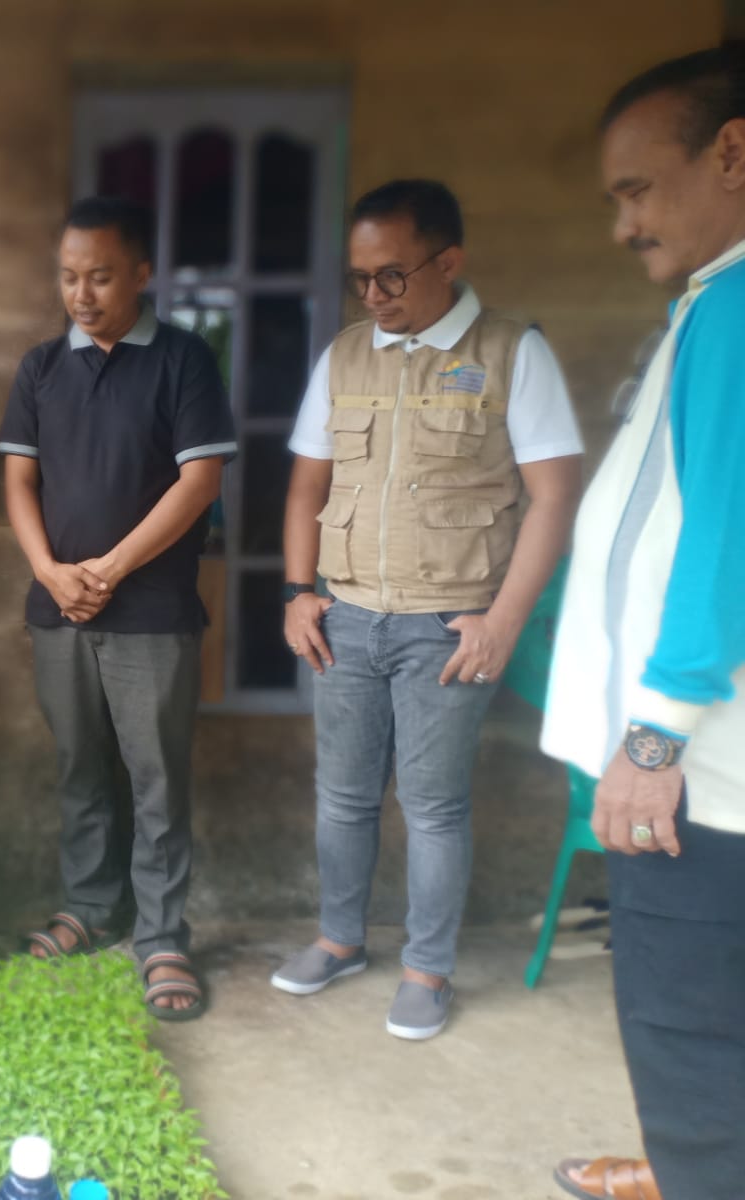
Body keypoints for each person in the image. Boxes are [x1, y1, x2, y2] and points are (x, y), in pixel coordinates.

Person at [271, 180, 583, 1040]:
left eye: (392, 276)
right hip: (346, 618)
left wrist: (503, 621)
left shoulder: (513, 352)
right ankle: (340, 940)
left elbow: (554, 496)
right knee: (342, 798)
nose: (374, 296)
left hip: (449, 626)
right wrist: (298, 593)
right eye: (360, 279)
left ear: (449, 263)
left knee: (434, 806)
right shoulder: (344, 356)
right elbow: (304, 489)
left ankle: (426, 969)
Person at [544, 45, 745, 1200]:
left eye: (636, 191)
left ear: (731, 154)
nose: (622, 225)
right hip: (702, 767)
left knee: (689, 1030)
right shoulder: (714, 305)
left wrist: (655, 736)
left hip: (699, 778)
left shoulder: (736, 311)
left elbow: (724, 540)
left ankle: (698, 1170)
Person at [0, 196, 236, 1021]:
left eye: (100, 277)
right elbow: (19, 481)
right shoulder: (41, 369)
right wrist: (49, 571)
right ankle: (91, 908)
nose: (82, 294)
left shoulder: (184, 361)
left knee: (157, 777)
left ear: (141, 273)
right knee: (80, 769)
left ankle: (163, 935)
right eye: (69, 277)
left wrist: (109, 568)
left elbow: (199, 482)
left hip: (153, 614)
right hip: (58, 610)